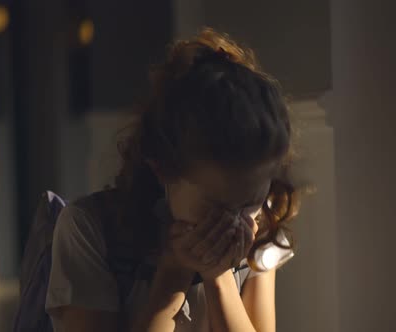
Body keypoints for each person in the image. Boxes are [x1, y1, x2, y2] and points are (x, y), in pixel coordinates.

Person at [44, 27, 300, 332]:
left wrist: (218, 277)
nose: (233, 223)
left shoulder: (262, 230)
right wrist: (173, 273)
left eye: (249, 203)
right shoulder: (90, 230)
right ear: (162, 168)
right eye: (216, 206)